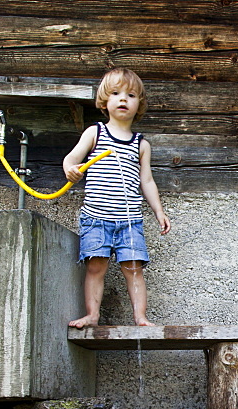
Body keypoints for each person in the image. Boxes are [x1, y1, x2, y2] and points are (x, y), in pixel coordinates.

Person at [64, 67, 171, 328]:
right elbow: (72, 159)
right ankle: (92, 315)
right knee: (95, 268)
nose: (123, 99)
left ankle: (140, 318)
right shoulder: (95, 133)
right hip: (96, 218)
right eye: (116, 93)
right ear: (104, 100)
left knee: (134, 270)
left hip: (130, 220)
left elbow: (146, 181)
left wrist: (159, 211)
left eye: (131, 95)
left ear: (139, 104)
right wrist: (70, 169)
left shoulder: (140, 144)